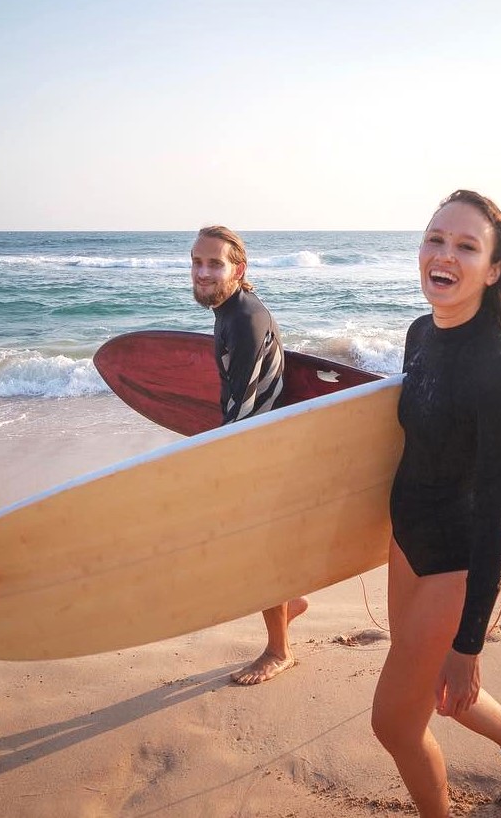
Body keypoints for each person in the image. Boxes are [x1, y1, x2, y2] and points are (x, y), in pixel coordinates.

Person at [370, 190, 501, 814]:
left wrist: (469, 642)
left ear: (494, 269)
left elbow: (496, 512)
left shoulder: (498, 364)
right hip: (407, 541)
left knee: (395, 725)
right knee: (436, 690)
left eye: (465, 246)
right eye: (435, 239)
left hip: (456, 561)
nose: (444, 255)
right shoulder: (420, 333)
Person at [190, 225, 308, 685]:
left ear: (238, 270)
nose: (203, 272)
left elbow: (245, 404)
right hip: (260, 439)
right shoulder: (231, 310)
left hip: (260, 448)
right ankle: (290, 603)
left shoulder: (243, 320)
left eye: (214, 264)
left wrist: (217, 464)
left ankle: (280, 651)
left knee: (260, 555)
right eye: (197, 262)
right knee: (261, 549)